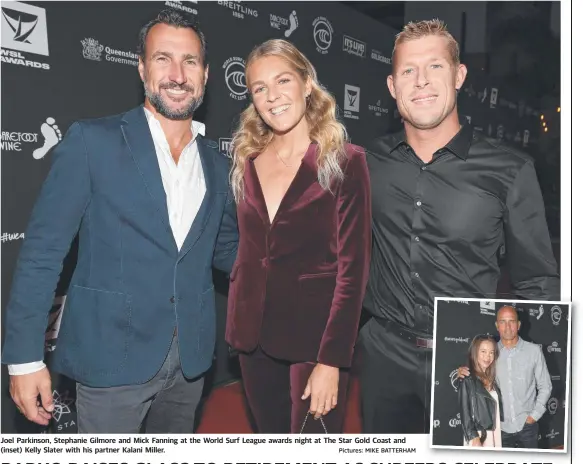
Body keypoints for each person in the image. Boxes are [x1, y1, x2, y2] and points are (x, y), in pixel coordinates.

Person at [1, 9, 238, 433]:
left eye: (190, 62)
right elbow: (42, 254)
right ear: (142, 68)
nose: (177, 74)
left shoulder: (219, 165)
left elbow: (226, 251)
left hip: (191, 361)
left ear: (205, 74)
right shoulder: (94, 142)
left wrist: (293, 269)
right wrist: (24, 357)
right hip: (111, 359)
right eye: (163, 59)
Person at [359, 19, 559, 434]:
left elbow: (537, 283)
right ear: (393, 87)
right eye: (408, 71)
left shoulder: (510, 170)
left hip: (468, 358)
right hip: (383, 357)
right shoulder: (366, 162)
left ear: (460, 75)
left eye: (435, 67)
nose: (422, 82)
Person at [225, 39, 371, 434]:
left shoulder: (344, 161)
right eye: (259, 88)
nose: (272, 97)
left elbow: (352, 272)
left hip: (314, 341)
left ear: (307, 84)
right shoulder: (247, 159)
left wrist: (332, 361)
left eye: (283, 80)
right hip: (253, 338)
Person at [458, 305, 552, 448]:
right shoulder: (491, 352)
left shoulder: (534, 351)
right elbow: (476, 373)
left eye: (512, 321)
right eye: (502, 321)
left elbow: (545, 386)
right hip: (499, 429)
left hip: (527, 426)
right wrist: (461, 372)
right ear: (497, 325)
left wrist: (534, 416)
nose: (507, 326)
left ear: (518, 324)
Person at [459, 334, 503, 448]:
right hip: (479, 436)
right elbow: (465, 412)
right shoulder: (467, 378)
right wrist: (474, 437)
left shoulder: (492, 378)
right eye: (483, 351)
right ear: (475, 352)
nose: (487, 356)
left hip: (494, 432)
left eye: (491, 352)